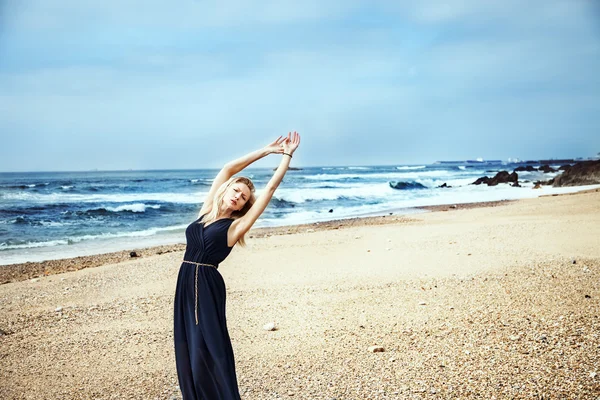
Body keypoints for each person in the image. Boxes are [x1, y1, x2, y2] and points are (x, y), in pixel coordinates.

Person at [173, 132, 301, 399]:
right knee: (186, 345)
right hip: (185, 281)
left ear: (244, 205)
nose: (237, 196)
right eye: (236, 190)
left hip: (206, 286)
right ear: (227, 189)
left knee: (208, 347)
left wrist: (287, 156)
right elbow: (228, 168)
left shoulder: (235, 227)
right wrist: (266, 150)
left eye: (243, 197)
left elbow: (270, 189)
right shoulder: (206, 210)